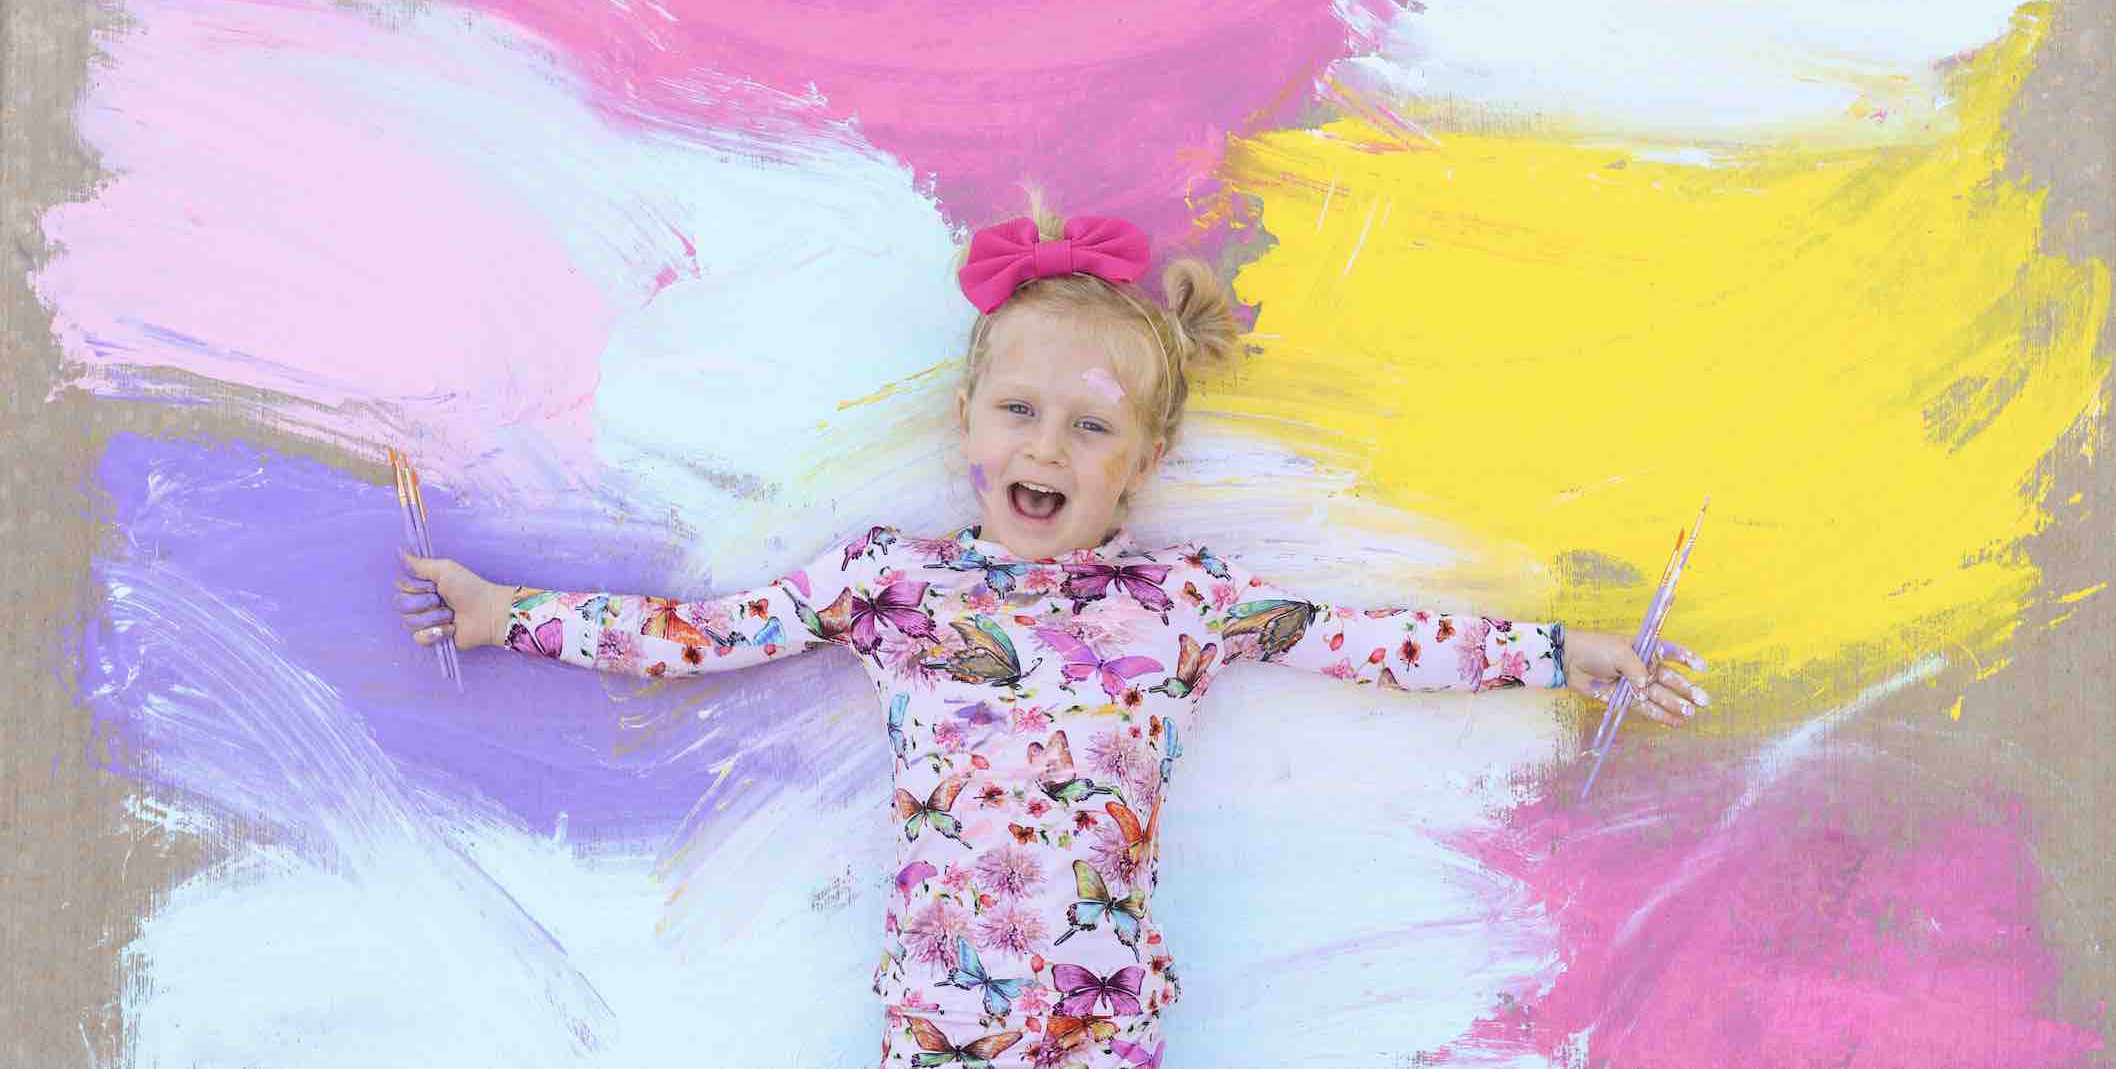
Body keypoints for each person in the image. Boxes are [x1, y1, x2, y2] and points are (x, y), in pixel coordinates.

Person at [392, 190, 1709, 1068]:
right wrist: (512, 615)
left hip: (1105, 1023)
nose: (1047, 447)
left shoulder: (1184, 601)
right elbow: (709, 632)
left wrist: (1559, 654)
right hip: (938, 1024)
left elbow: (1369, 638)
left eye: (1090, 427)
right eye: (1018, 412)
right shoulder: (894, 581)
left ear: (1141, 463)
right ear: (968, 424)